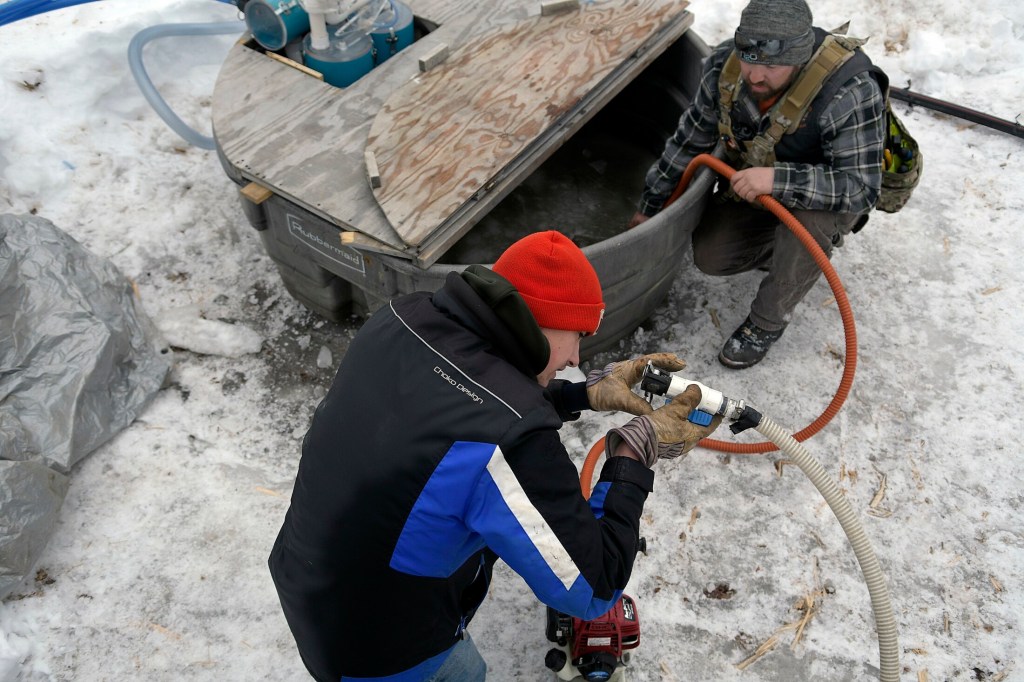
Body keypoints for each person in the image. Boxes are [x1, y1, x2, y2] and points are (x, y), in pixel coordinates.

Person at [268, 230, 721, 681]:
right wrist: (632, 457)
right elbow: (592, 588)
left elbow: (456, 405)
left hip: (308, 572)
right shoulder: (509, 441)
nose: (575, 357)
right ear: (541, 321)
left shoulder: (401, 319)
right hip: (384, 644)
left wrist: (580, 394)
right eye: (577, 334)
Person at [629, 0, 887, 368]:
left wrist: (777, 179)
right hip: (754, 188)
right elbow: (690, 140)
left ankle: (768, 320)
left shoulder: (848, 91)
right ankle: (784, 254)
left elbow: (862, 188)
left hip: (822, 199)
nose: (755, 75)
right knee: (711, 256)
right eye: (749, 59)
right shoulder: (726, 68)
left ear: (799, 60)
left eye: (771, 65)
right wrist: (649, 207)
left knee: (808, 226)